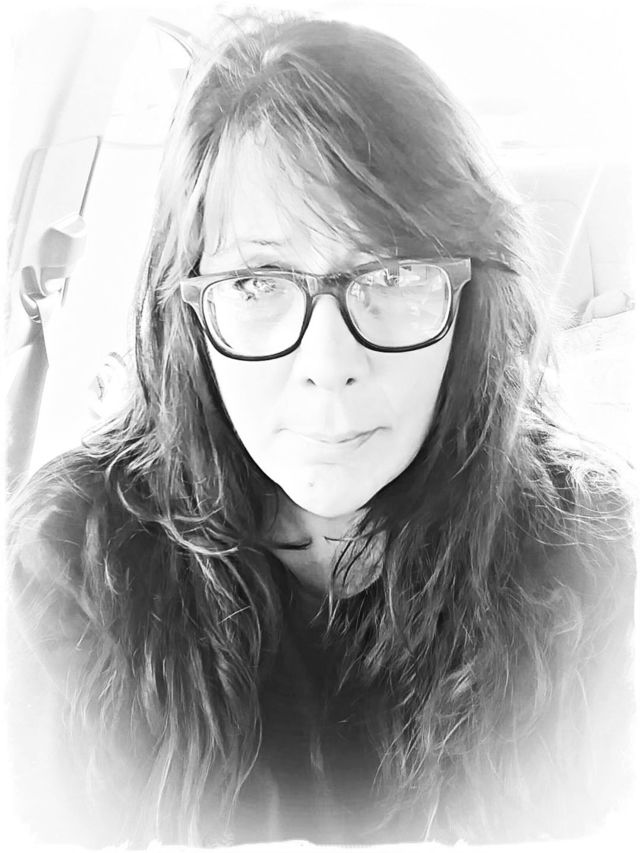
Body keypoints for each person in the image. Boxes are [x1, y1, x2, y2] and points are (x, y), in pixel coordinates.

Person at [7, 11, 636, 850]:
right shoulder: (75, 559)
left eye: (395, 273)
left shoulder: (585, 551)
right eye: (257, 282)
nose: (329, 362)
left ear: (470, 303)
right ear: (187, 312)